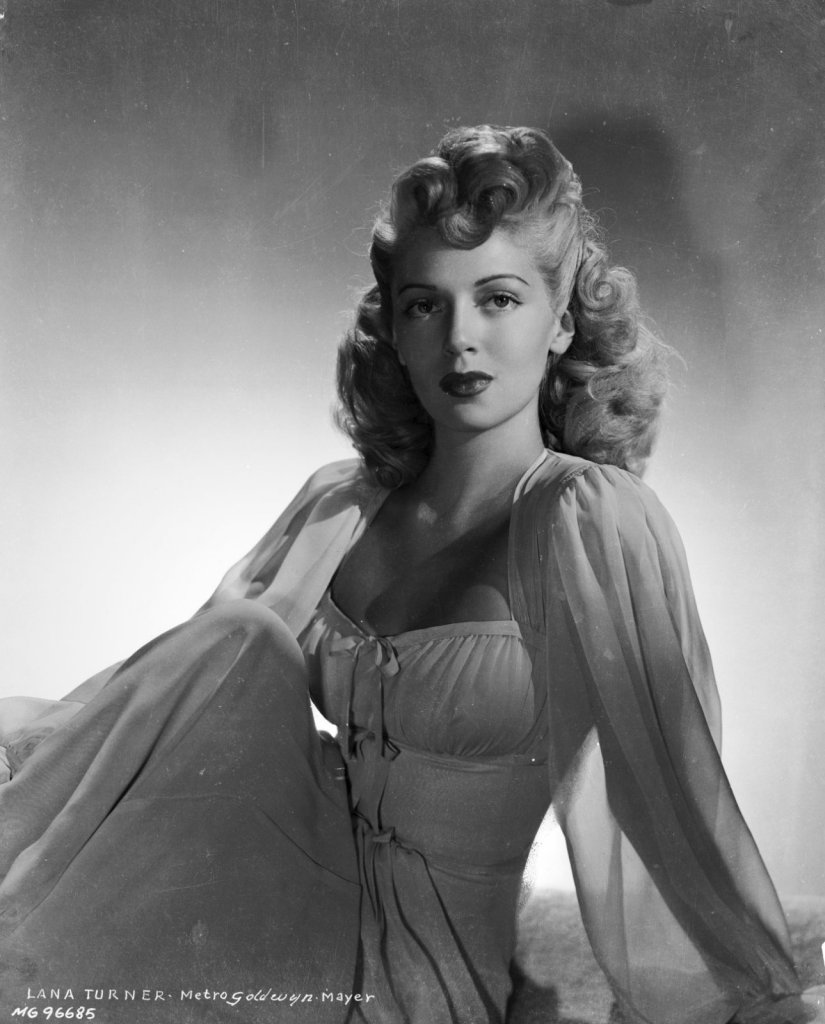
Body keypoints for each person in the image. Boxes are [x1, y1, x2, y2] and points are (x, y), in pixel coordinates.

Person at [0, 125, 822, 1024]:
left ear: (560, 323)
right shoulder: (339, 504)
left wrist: (756, 998)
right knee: (238, 640)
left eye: (498, 299)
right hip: (274, 904)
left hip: (421, 984)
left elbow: (670, 800)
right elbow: (155, 710)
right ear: (394, 329)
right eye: (426, 305)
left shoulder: (589, 518)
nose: (461, 339)